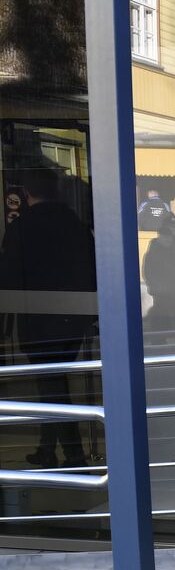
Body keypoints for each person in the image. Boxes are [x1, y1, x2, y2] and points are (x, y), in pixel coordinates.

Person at [0, 168, 97, 468]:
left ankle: (72, 453)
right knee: (53, 384)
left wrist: (6, 322)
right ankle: (52, 449)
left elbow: (10, 276)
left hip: (37, 320)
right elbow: (91, 269)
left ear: (28, 195)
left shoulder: (22, 227)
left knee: (52, 384)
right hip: (73, 319)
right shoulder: (76, 225)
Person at [142, 214, 175, 336]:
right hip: (162, 291)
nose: (173, 228)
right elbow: (149, 268)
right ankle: (161, 348)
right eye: (170, 226)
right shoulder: (156, 244)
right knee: (161, 323)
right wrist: (153, 285)